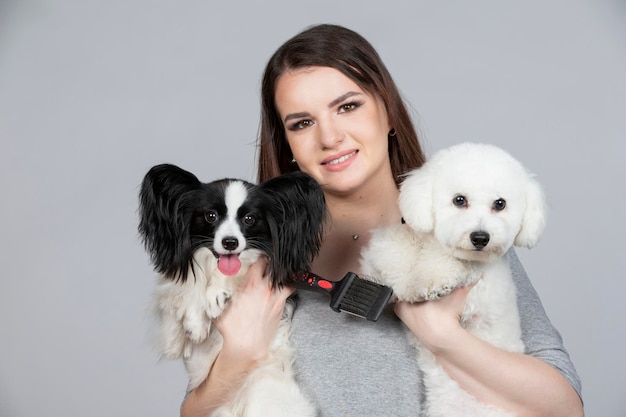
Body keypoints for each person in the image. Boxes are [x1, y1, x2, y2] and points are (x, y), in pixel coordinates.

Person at [181, 24, 584, 417]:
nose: (330, 137)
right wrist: (238, 355)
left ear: (388, 113)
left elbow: (564, 407)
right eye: (302, 123)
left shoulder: (463, 236)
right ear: (287, 147)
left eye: (347, 106)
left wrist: (443, 337)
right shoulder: (252, 256)